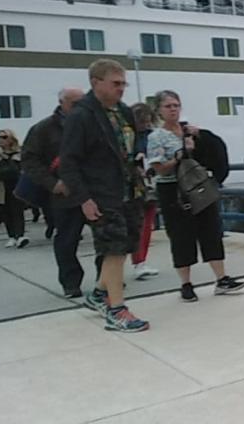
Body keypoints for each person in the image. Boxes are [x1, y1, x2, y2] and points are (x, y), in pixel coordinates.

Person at [62, 59, 148, 332]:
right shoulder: (81, 116)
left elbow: (132, 144)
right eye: (115, 83)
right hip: (101, 194)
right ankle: (116, 309)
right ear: (95, 82)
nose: (121, 89)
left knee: (125, 245)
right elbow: (69, 161)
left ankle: (100, 293)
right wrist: (84, 199)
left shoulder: (123, 112)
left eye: (123, 83)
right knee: (113, 248)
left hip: (129, 191)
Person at [147, 90, 244, 302]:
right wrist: (178, 158)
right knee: (181, 236)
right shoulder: (156, 137)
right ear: (159, 110)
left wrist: (200, 137)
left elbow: (212, 153)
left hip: (198, 186)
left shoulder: (190, 131)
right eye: (168, 106)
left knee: (211, 230)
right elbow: (158, 168)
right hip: (173, 189)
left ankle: (221, 278)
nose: (173, 110)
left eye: (176, 105)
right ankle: (186, 283)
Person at [21, 87, 88, 295]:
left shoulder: (93, 123)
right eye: (74, 104)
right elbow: (29, 161)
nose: (79, 108)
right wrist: (52, 183)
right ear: (62, 103)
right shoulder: (43, 129)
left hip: (93, 190)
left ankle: (106, 279)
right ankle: (71, 283)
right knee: (67, 240)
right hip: (64, 194)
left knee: (108, 237)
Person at [129, 102, 159, 281]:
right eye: (142, 121)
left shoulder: (149, 135)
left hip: (149, 182)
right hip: (134, 184)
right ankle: (138, 261)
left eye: (147, 121)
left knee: (147, 223)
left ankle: (141, 261)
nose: (145, 124)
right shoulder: (130, 136)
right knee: (138, 224)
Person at [0, 128, 27, 248]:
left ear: (11, 138)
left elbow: (27, 168)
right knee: (6, 212)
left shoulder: (19, 152)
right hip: (1, 187)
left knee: (18, 211)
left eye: (4, 137)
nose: (0, 140)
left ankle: (20, 235)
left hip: (17, 186)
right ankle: (11, 236)